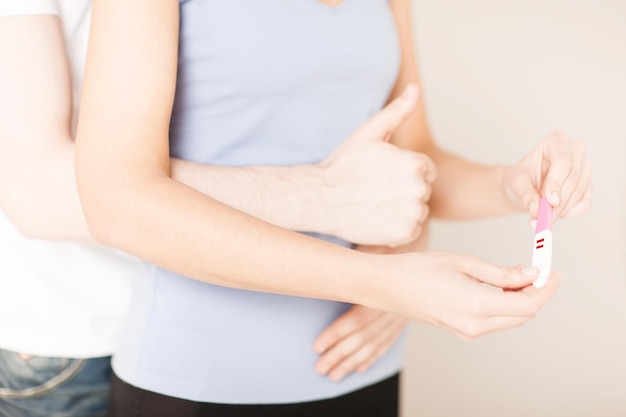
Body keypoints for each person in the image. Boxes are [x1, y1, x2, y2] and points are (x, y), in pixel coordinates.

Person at [75, 0, 591, 416]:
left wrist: (510, 183)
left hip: (368, 363)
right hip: (204, 378)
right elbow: (118, 199)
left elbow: (417, 163)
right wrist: (386, 284)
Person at [0, 1, 441, 415]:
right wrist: (327, 200)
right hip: (76, 343)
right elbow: (40, 192)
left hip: (234, 313)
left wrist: (394, 257)